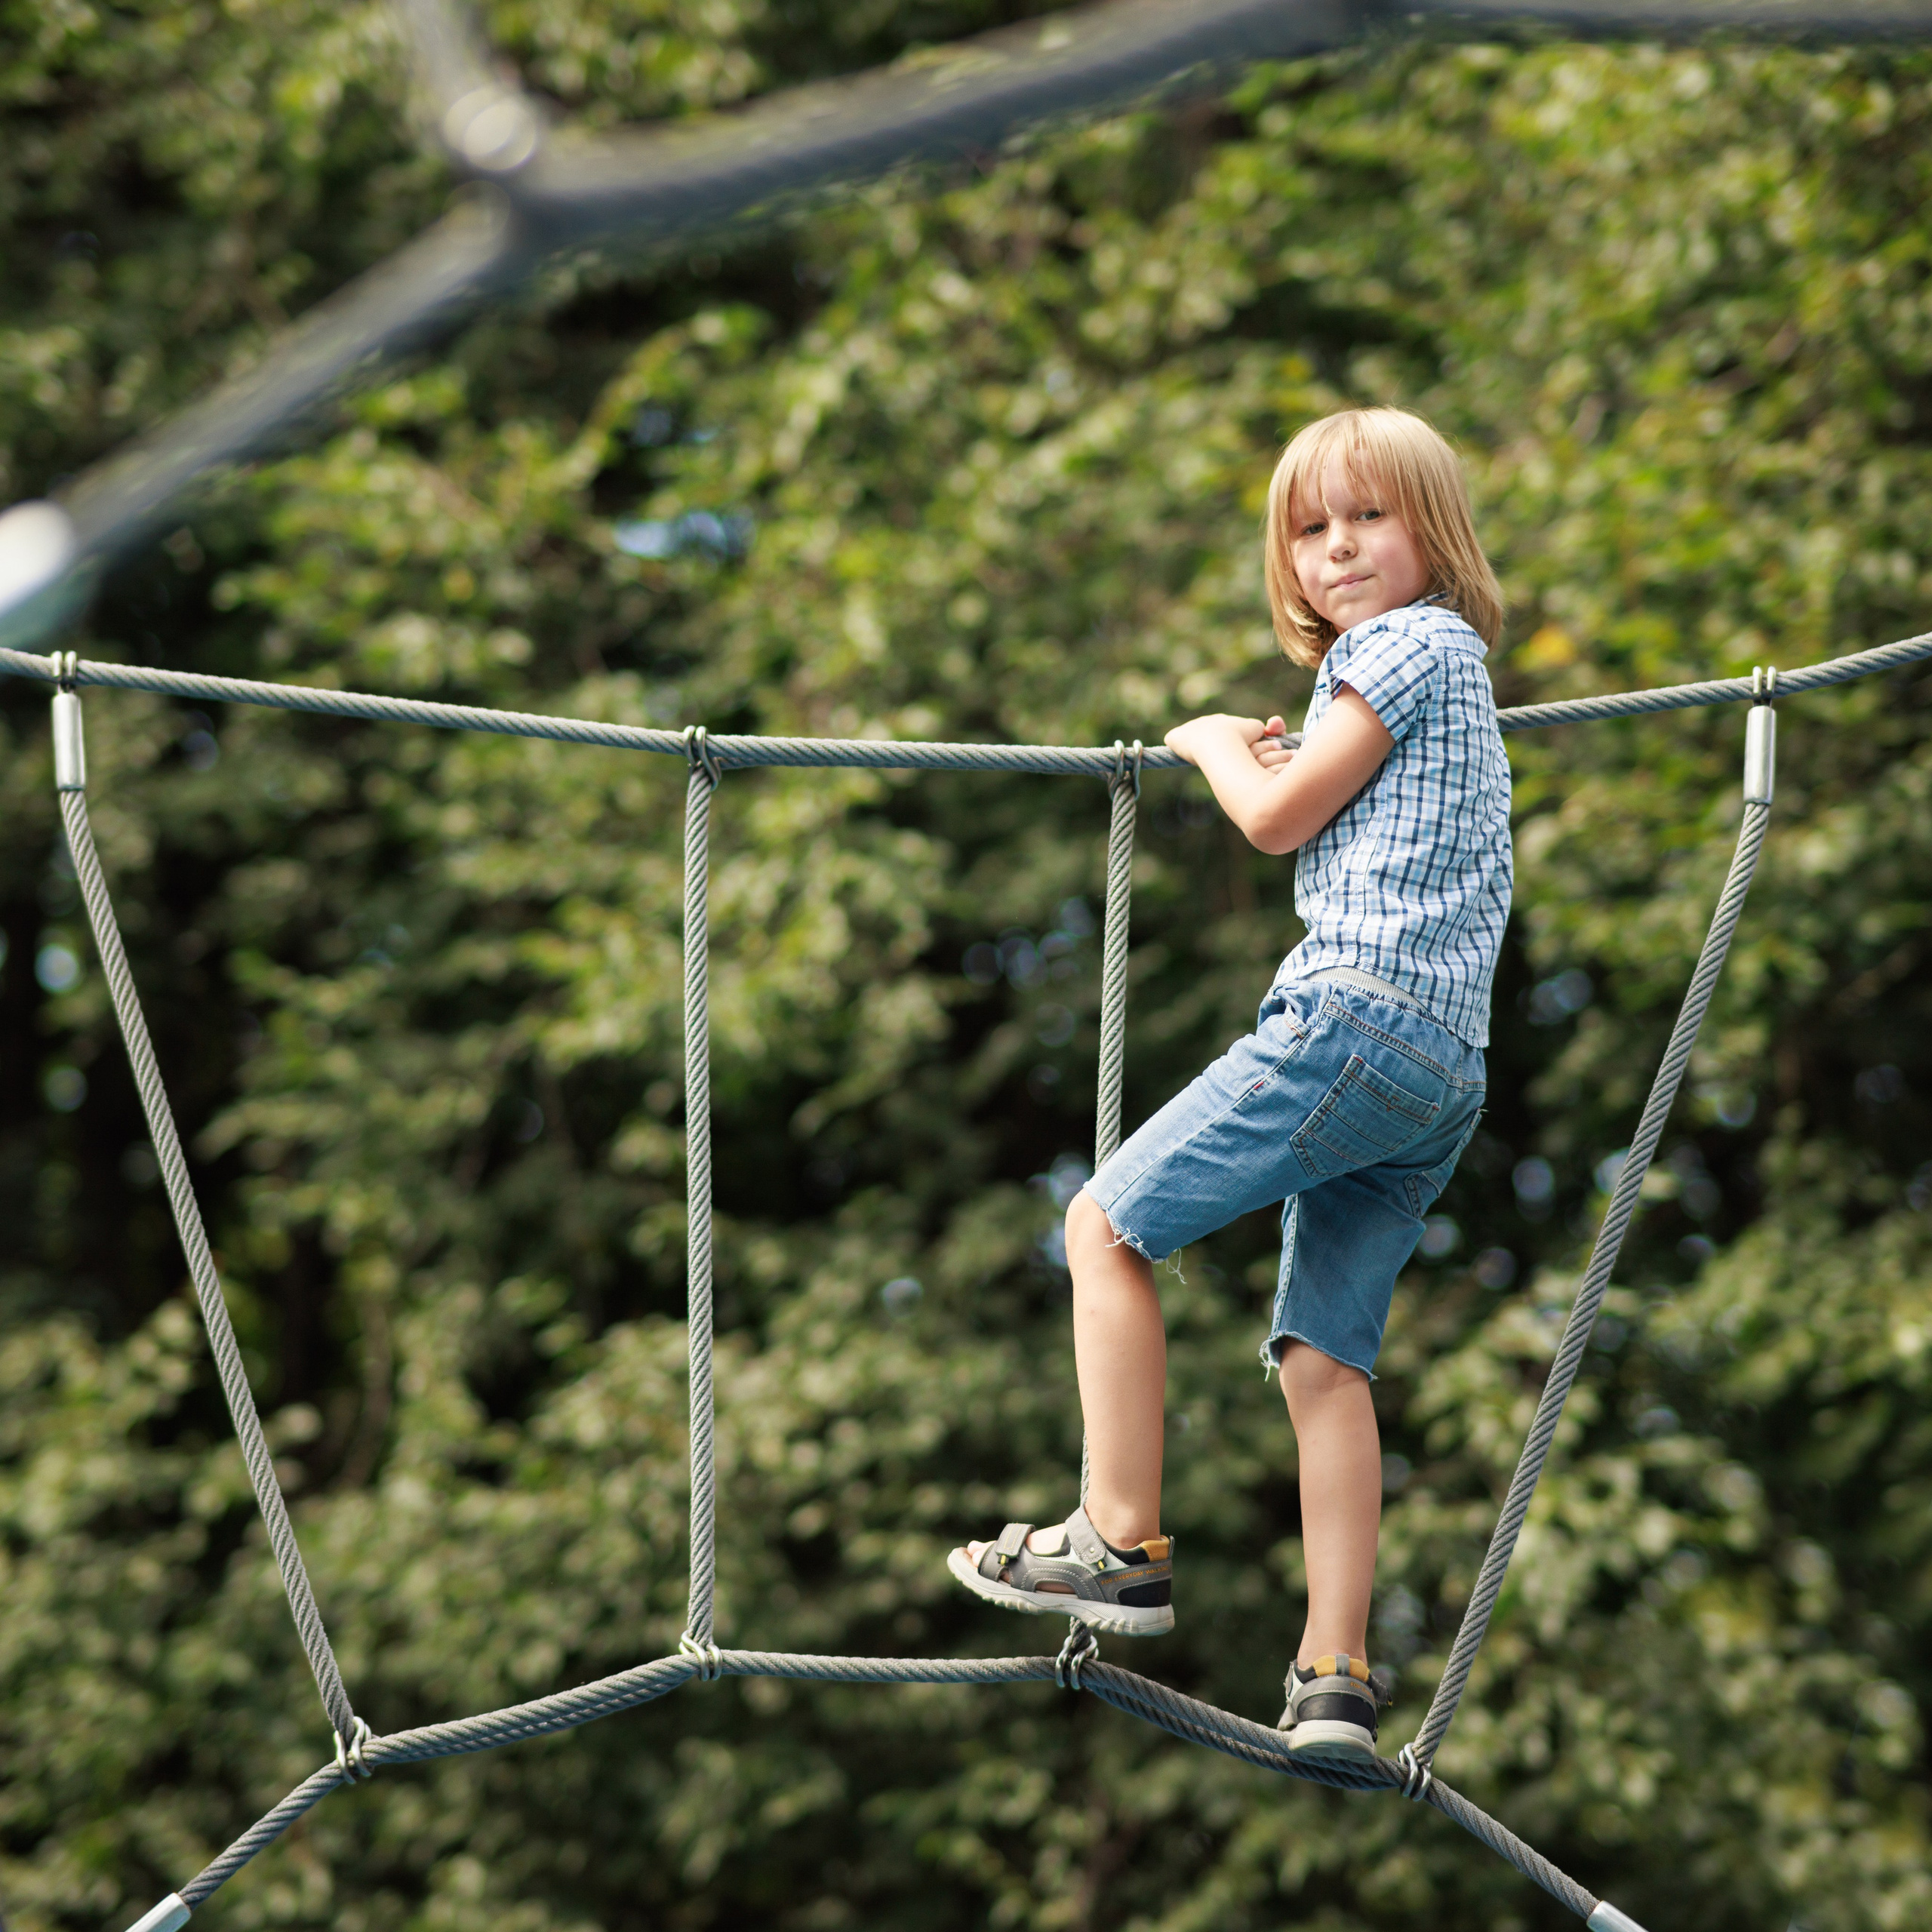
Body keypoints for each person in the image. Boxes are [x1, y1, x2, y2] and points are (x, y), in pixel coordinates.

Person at [947, 407, 1512, 1761]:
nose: (1340, 551)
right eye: (1312, 531)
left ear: (1433, 530)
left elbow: (1272, 820)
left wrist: (1208, 742)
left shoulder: (1411, 643)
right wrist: (1283, 760)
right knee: (1325, 1364)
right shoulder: (1447, 672)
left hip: (1357, 1019)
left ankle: (1116, 1537)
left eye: (1369, 517)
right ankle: (1335, 1678)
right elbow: (1331, 796)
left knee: (1105, 1225)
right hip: (1444, 1065)